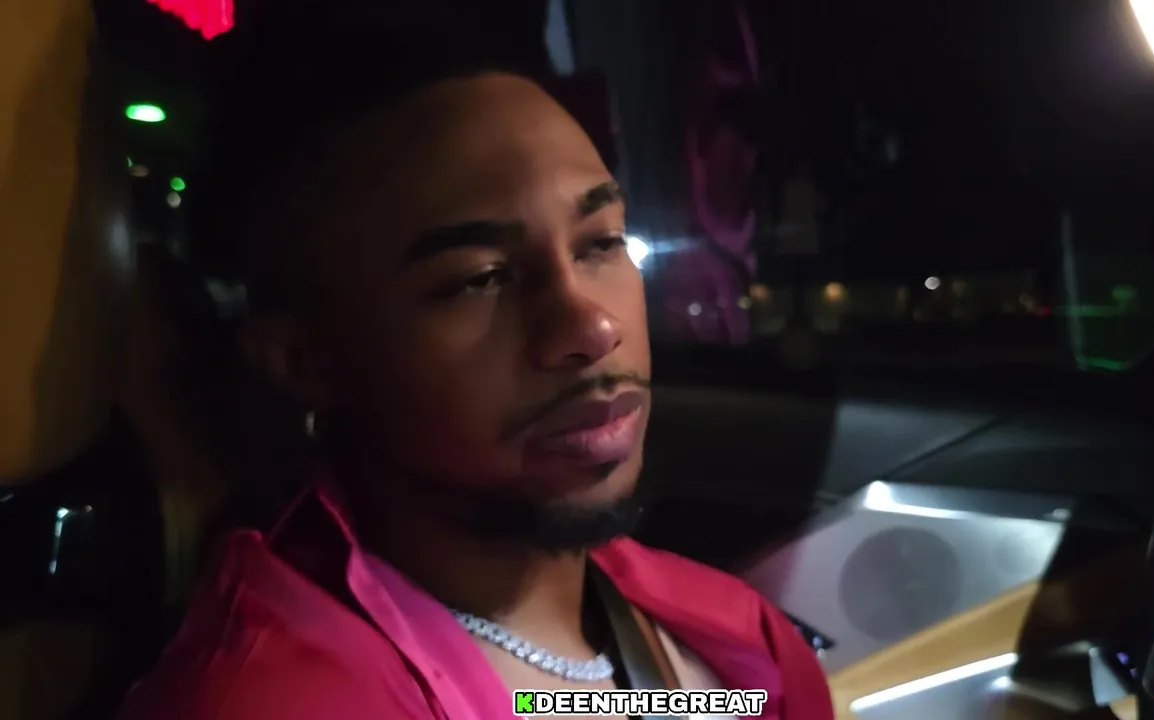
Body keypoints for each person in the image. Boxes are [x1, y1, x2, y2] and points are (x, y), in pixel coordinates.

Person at [117, 30, 832, 720]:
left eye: (601, 243)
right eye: (481, 278)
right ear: (308, 360)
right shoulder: (273, 700)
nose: (592, 329)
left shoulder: (734, 647)